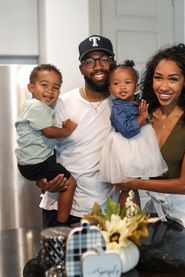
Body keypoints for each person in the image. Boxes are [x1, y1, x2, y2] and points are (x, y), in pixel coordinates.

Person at [116, 43, 185, 240]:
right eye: (158, 77)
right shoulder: (144, 115)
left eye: (173, 79)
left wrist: (135, 183)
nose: (163, 87)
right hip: (155, 211)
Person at [37, 35, 119, 227]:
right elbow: (38, 149)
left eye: (104, 59)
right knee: (59, 258)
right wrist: (40, 179)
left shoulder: (124, 105)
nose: (98, 66)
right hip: (62, 208)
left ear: (113, 63)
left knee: (108, 259)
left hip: (108, 211)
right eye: (90, 61)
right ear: (81, 68)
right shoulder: (62, 104)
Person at [99, 60, 167, 207]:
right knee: (128, 186)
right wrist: (142, 117)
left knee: (133, 186)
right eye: (116, 84)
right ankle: (128, 219)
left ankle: (133, 217)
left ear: (136, 86)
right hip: (125, 147)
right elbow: (128, 130)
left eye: (127, 82)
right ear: (110, 89)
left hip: (136, 146)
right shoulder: (118, 109)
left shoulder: (137, 101)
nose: (122, 87)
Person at [15, 64, 77, 225]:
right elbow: (49, 132)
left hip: (30, 163)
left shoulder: (38, 106)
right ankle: (62, 223)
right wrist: (68, 130)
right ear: (31, 87)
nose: (50, 91)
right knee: (70, 183)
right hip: (36, 164)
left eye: (55, 87)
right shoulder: (37, 106)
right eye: (44, 85)